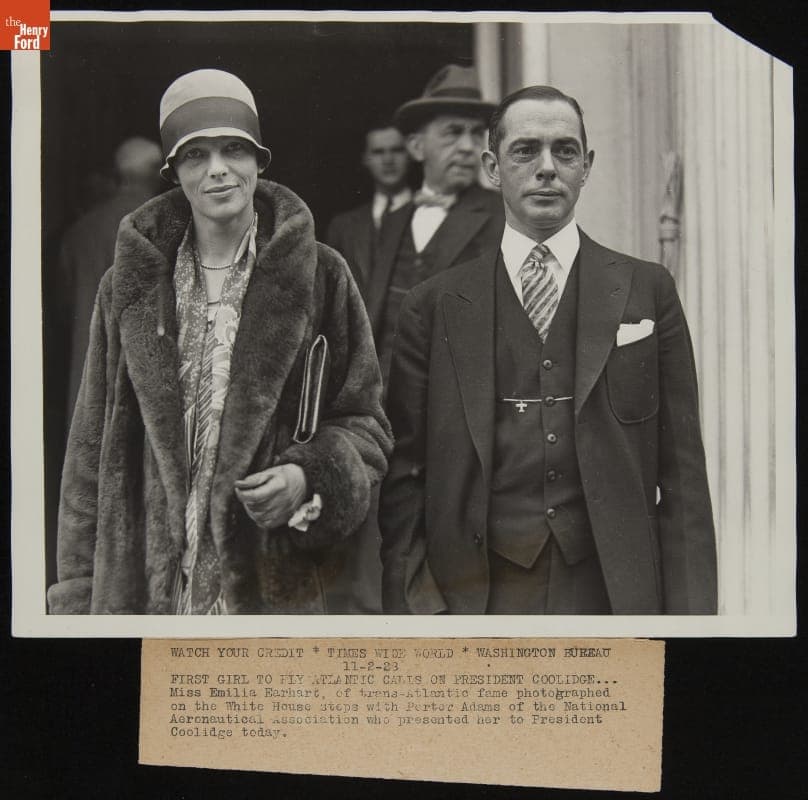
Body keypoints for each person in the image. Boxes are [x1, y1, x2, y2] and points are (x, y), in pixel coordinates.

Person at [48, 69, 391, 615]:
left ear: (259, 160)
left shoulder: (321, 275)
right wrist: (76, 599)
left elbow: (366, 424)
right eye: (194, 155)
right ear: (173, 172)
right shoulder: (128, 286)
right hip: (146, 590)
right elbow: (90, 453)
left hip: (273, 586)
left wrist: (308, 475)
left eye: (234, 149)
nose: (217, 170)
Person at [380, 85, 717, 615]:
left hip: (613, 594)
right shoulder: (434, 305)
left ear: (586, 166)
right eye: (525, 150)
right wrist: (419, 610)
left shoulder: (646, 289)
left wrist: (693, 625)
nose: (546, 168)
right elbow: (404, 481)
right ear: (493, 168)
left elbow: (684, 479)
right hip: (475, 597)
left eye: (564, 151)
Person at [364, 64, 504, 383]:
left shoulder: (504, 217)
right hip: (386, 408)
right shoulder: (394, 220)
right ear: (416, 147)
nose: (469, 147)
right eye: (453, 132)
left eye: (475, 134)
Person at [59, 136, 164, 419]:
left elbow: (63, 307)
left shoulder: (79, 231)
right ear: (157, 173)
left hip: (85, 373)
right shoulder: (163, 226)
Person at [326, 120, 412, 297]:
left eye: (396, 150)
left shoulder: (428, 213)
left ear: (410, 153)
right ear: (365, 158)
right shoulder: (343, 226)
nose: (388, 160)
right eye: (378, 152)